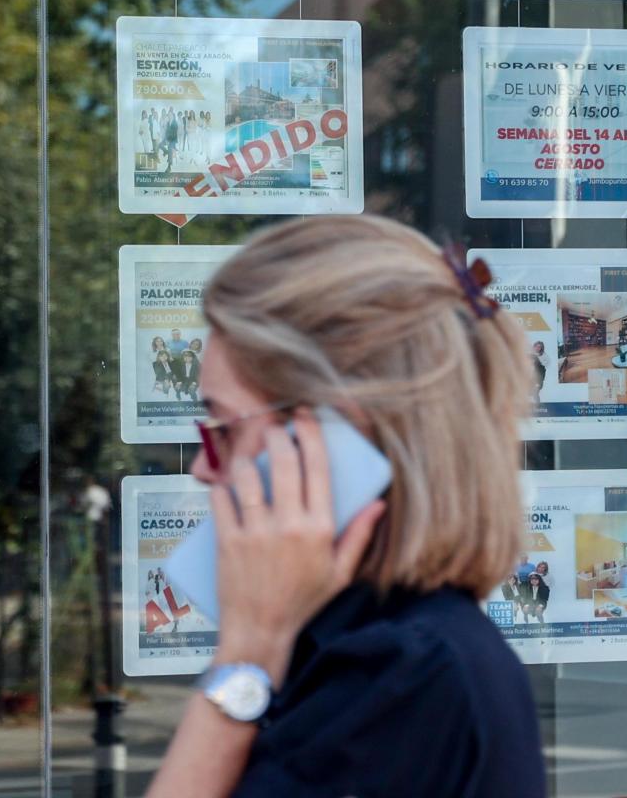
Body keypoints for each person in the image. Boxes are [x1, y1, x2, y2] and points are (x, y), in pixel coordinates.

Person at [146, 215, 547, 798]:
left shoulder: (403, 679)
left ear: (335, 441)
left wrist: (247, 655)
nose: (202, 467)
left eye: (222, 431)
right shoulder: (364, 650)